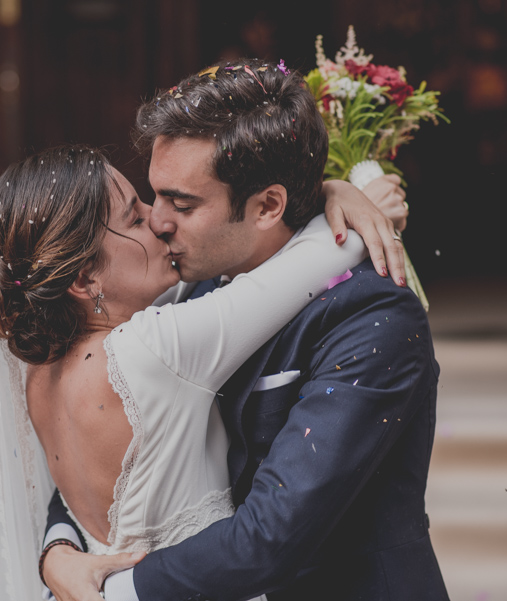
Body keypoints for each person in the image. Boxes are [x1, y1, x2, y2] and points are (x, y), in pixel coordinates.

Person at [40, 60, 447, 601]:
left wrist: (110, 593)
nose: (157, 221)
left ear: (268, 206)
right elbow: (113, 457)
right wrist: (60, 550)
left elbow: (274, 536)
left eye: (182, 203)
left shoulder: (373, 317)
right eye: (155, 195)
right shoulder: (189, 286)